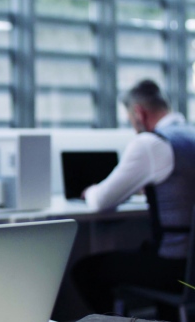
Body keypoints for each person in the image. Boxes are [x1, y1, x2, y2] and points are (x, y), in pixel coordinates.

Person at [72, 79, 195, 316]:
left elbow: (101, 202)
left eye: (130, 120)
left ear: (138, 112)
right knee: (143, 249)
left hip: (175, 271)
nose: (133, 127)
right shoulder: (190, 134)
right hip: (190, 272)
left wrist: (90, 192)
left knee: (86, 270)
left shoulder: (151, 143)